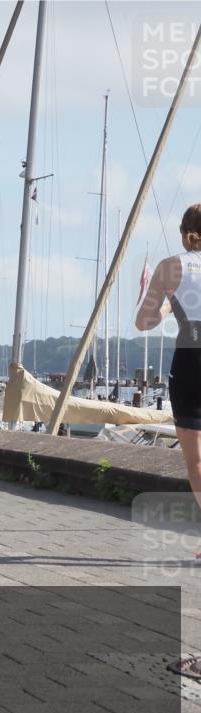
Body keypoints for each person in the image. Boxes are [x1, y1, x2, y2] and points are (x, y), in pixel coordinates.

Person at [136, 203, 201, 515]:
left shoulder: (170, 267)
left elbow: (143, 322)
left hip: (191, 360)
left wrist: (167, 307)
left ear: (185, 234)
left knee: (196, 459)